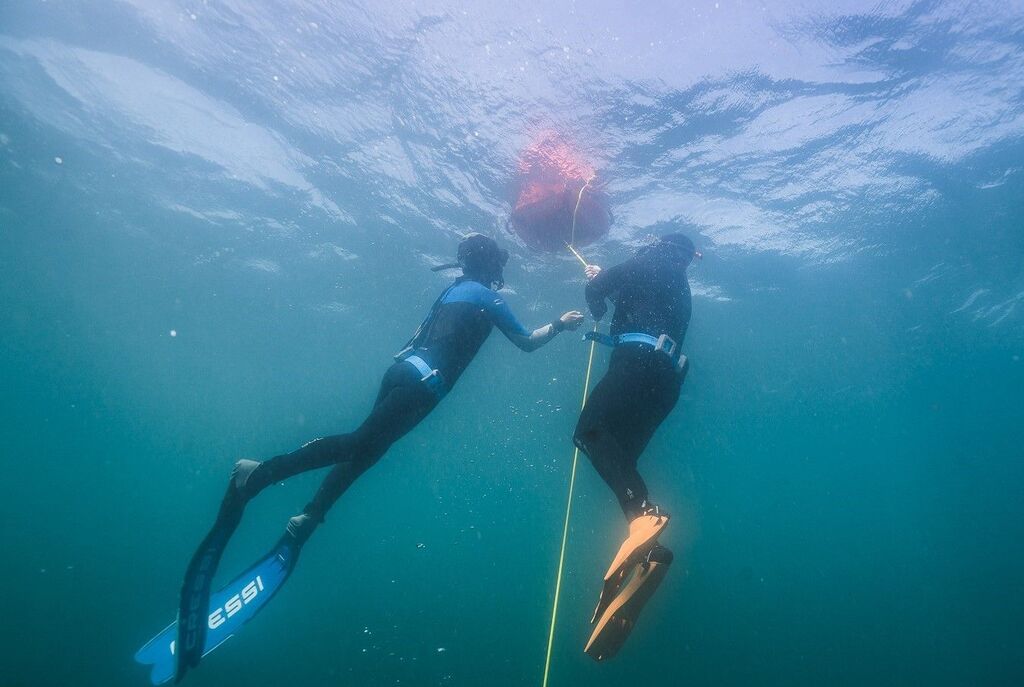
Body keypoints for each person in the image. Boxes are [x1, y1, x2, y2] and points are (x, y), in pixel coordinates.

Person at [173, 234, 583, 681]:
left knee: (368, 449)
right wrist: (560, 324)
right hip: (425, 386)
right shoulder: (487, 295)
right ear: (491, 266)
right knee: (360, 444)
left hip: (402, 371)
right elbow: (526, 342)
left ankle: (310, 516)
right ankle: (259, 476)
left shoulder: (453, 289)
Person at [573, 233, 697, 661]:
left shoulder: (645, 263)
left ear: (657, 246)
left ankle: (643, 518)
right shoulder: (680, 286)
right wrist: (613, 285)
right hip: (668, 381)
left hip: (636, 365)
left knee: (589, 433)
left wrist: (598, 292)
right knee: (620, 456)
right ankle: (648, 544)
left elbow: (596, 290)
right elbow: (642, 299)